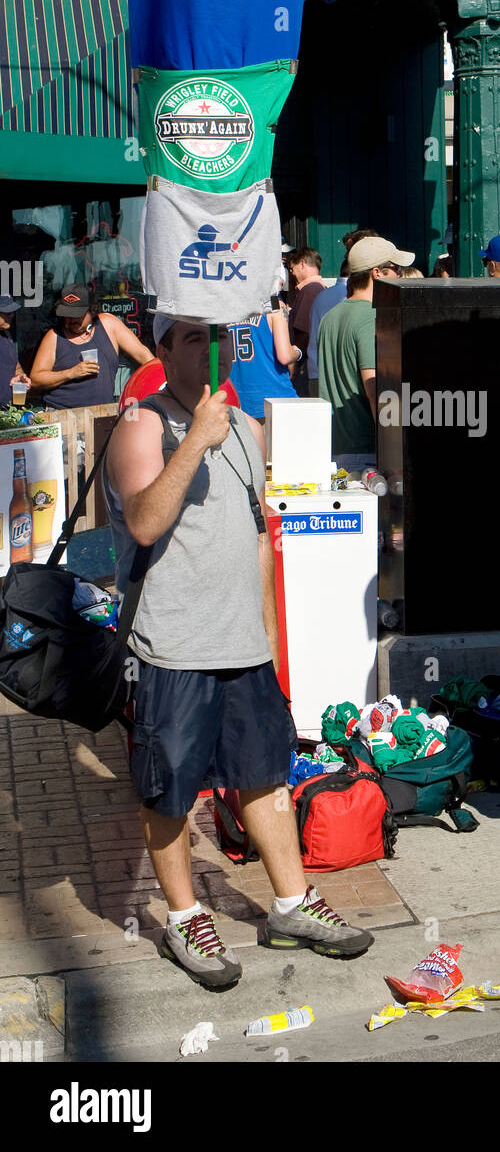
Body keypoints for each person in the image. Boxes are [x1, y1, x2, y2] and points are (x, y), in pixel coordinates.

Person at [103, 313, 374, 990]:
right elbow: (142, 523)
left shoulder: (250, 429)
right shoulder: (142, 425)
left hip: (242, 644)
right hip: (171, 646)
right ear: (162, 348)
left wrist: (270, 636)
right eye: (192, 336)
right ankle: (186, 916)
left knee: (264, 775)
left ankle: (291, 903)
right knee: (169, 789)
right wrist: (194, 440)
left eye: (216, 336)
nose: (209, 348)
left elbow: (259, 536)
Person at [317, 236, 414, 467]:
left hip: (336, 447)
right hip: (368, 450)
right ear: (376, 273)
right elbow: (374, 389)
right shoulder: (372, 319)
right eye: (395, 269)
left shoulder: (330, 317)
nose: (399, 275)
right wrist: (395, 455)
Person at [30, 286, 152, 409]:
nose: (71, 320)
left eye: (77, 315)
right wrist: (71, 373)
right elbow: (36, 379)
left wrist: (162, 382)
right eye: (67, 315)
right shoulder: (54, 336)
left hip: (103, 412)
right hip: (62, 413)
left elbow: (142, 354)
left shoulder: (108, 324)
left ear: (92, 311)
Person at [307, 229, 380, 399]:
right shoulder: (365, 314)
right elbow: (372, 384)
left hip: (328, 382)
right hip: (345, 389)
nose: (348, 255)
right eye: (349, 251)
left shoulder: (326, 300)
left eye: (351, 250)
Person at [228, 307, 300, 424]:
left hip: (237, 402)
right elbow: (285, 356)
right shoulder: (273, 306)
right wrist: (297, 352)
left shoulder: (225, 309)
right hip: (276, 399)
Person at [287, 247, 326, 397]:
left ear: (302, 264)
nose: (292, 274)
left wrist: (294, 362)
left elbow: (304, 333)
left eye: (292, 269)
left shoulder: (310, 290)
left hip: (305, 367)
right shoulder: (319, 288)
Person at [0, 296, 32, 406]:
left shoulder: (6, 335)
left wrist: (20, 377)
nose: (12, 315)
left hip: (9, 411)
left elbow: (15, 367)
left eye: (12, 312)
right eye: (7, 313)